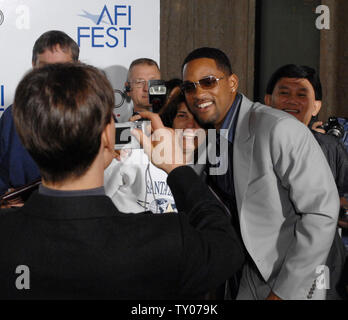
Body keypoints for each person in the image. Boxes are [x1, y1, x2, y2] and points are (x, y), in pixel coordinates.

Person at [0, 63, 244, 299]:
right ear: (108, 134)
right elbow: (225, 247)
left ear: (26, 136)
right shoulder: (164, 240)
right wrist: (177, 168)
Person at [181, 47, 339, 300]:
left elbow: (320, 212)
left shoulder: (278, 128)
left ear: (232, 83)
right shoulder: (209, 139)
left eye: (208, 82)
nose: (198, 93)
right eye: (189, 87)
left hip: (277, 278)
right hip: (226, 278)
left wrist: (285, 291)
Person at [264, 64, 348, 300]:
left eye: (302, 94)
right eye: (284, 93)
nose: (291, 101)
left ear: (316, 106)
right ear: (268, 99)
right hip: (266, 264)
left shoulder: (331, 149)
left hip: (322, 267)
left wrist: (330, 208)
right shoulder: (248, 145)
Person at [0, 30, 79, 196]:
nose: (53, 76)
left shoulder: (93, 113)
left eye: (62, 68)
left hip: (74, 210)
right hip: (20, 212)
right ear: (33, 66)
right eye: (46, 68)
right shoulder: (12, 116)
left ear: (76, 67)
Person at [104, 59, 175, 214]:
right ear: (127, 88)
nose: (146, 88)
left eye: (153, 82)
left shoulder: (180, 129)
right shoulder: (115, 134)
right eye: (139, 82)